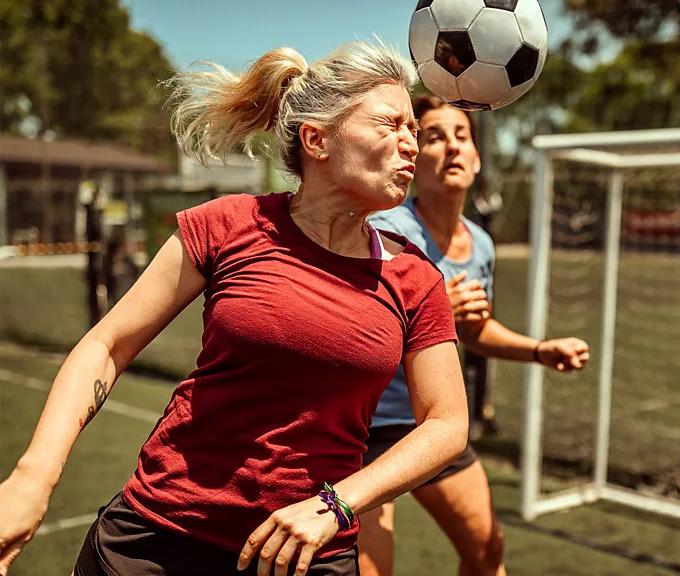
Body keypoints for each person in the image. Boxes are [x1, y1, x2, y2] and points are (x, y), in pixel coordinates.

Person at [0, 42, 470, 576]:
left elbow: (447, 424)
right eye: (392, 124)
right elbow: (108, 344)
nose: (412, 144)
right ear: (317, 139)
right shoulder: (227, 225)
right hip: (157, 541)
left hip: (306, 558)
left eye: (414, 128)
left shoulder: (415, 278)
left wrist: (336, 504)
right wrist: (32, 479)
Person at [357, 95, 592, 576]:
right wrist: (436, 304)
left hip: (432, 424)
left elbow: (475, 328)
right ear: (414, 156)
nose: (452, 148)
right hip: (364, 427)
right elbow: (358, 327)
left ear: (477, 156)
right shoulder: (385, 230)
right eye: (435, 138)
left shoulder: (480, 243)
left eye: (462, 136)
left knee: (487, 554)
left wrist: (539, 350)